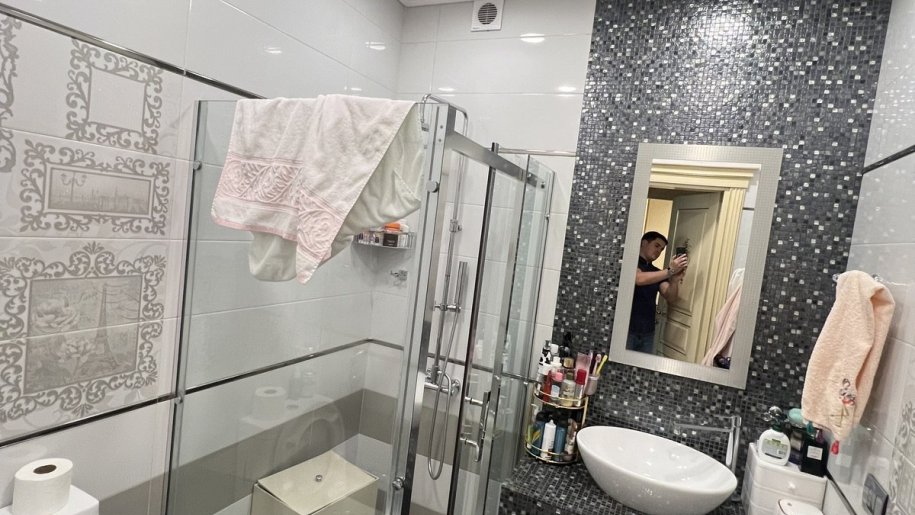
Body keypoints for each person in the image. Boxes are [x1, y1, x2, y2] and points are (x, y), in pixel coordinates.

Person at [627, 231, 688, 353]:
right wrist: (670, 271)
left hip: (648, 332)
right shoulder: (631, 262)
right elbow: (638, 279)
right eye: (656, 246)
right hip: (627, 330)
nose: (658, 251)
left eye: (661, 249)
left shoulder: (657, 272)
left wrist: (674, 280)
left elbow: (670, 297)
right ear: (644, 243)